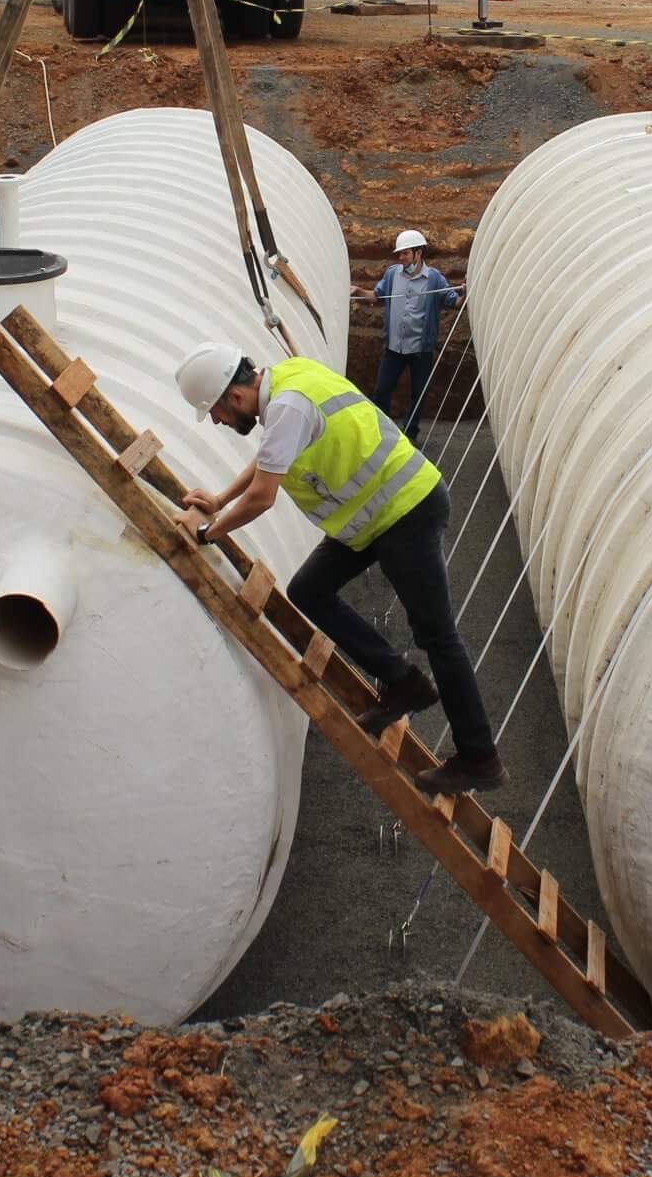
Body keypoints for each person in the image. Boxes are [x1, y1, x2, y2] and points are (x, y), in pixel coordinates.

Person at [173, 343, 504, 794]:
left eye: (215, 412)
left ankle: (479, 758)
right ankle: (404, 682)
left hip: (406, 511)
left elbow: (262, 496)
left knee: (438, 636)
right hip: (373, 518)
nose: (218, 422)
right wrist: (218, 500)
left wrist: (210, 532)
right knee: (309, 590)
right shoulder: (291, 380)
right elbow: (273, 453)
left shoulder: (288, 405)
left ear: (234, 397)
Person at [356, 230, 458, 445]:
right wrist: (357, 290)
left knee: (418, 394)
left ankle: (410, 435)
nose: (401, 258)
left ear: (419, 253)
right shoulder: (393, 274)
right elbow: (377, 295)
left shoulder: (434, 280)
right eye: (399, 254)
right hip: (394, 348)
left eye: (405, 253)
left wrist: (466, 293)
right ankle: (382, 435)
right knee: (382, 391)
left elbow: (453, 301)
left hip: (421, 349)